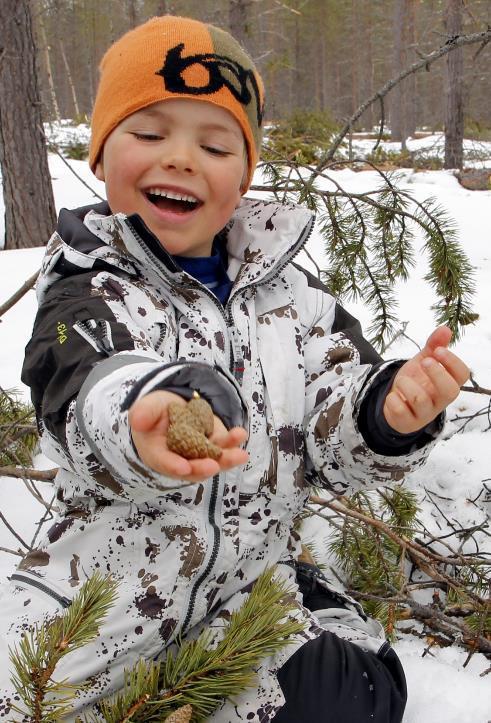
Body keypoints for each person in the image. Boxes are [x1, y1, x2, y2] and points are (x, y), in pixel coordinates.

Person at [0, 15, 469, 722]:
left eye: (214, 144)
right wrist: (139, 416)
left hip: (243, 591)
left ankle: (306, 597)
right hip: (96, 607)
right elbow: (80, 383)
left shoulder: (294, 299)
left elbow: (333, 406)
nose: (182, 159)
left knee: (364, 694)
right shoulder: (86, 288)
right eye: (150, 134)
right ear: (100, 157)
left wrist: (386, 412)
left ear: (244, 174)